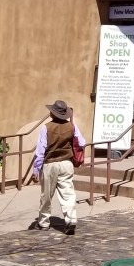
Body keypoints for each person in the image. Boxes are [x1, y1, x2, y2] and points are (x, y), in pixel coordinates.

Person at [29, 99, 85, 235]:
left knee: (46, 195)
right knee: (68, 193)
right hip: (67, 163)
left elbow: (40, 151)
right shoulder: (72, 126)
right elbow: (82, 142)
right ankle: (71, 219)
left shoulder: (46, 128)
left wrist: (36, 170)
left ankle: (43, 222)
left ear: (53, 113)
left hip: (50, 163)